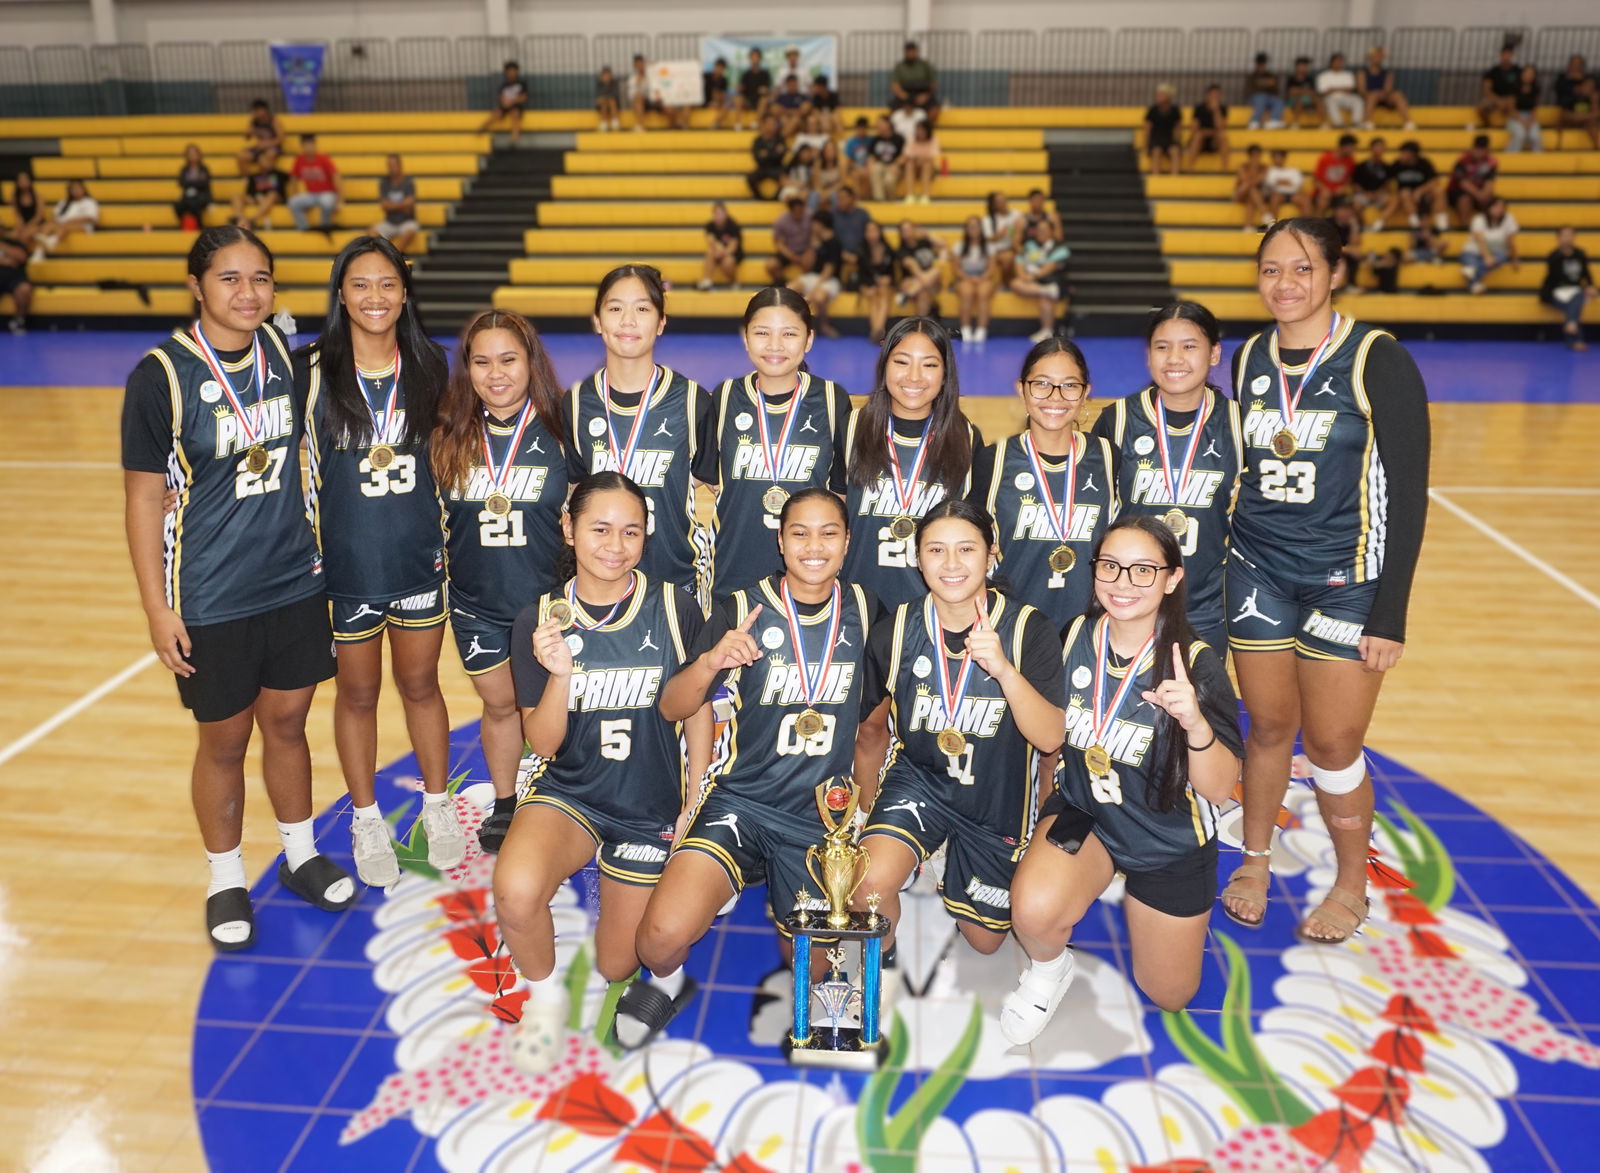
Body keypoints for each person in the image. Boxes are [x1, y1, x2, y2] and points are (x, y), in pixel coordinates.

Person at [122, 226, 353, 952]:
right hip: (211, 593)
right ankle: (224, 874)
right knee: (223, 739)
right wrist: (158, 608)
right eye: (229, 278)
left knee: (287, 723)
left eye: (261, 278)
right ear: (198, 285)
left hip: (292, 580)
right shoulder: (160, 375)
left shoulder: (286, 355)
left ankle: (300, 851)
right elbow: (141, 498)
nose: (248, 292)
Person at [1222, 217, 1430, 946]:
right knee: (1270, 727)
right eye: (1272, 269)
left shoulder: (1378, 357)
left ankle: (1350, 882)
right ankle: (1254, 859)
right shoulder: (1248, 356)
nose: (1286, 284)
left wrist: (1391, 611)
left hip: (1347, 581)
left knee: (1336, 743)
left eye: (1302, 268)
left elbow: (1410, 490)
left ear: (1334, 272)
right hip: (1258, 569)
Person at [634, 488, 881, 1047]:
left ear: (847, 542)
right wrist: (711, 662)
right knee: (657, 941)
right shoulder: (740, 606)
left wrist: (863, 813)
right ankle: (671, 979)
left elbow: (875, 725)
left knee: (814, 974)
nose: (813, 546)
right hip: (741, 802)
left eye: (828, 533)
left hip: (820, 819)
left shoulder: (868, 611)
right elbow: (674, 705)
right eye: (800, 533)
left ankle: (777, 898)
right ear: (780, 539)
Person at [1002, 515, 1243, 1042]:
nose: (1123, 583)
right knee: (1033, 911)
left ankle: (1141, 896)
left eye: (1143, 570)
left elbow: (1220, 788)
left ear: (1172, 579)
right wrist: (1042, 819)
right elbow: (1053, 739)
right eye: (1110, 567)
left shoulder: (1196, 663)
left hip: (1168, 837)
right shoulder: (1074, 637)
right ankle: (1048, 971)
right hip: (1088, 815)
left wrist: (1196, 724)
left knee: (1169, 994)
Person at [499, 472, 712, 1069]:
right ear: (568, 529)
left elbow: (695, 705)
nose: (615, 545)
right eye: (599, 529)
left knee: (618, 962)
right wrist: (560, 673)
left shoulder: (675, 606)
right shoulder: (538, 619)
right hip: (570, 791)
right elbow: (541, 742)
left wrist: (695, 792)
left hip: (648, 805)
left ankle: (654, 956)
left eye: (631, 532)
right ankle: (542, 1001)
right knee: (515, 891)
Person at [298, 237, 464, 877]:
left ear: (404, 292)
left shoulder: (430, 365)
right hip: (346, 566)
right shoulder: (310, 370)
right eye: (361, 284)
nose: (375, 297)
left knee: (422, 685)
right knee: (358, 694)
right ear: (341, 292)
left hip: (419, 558)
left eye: (387, 284)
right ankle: (366, 822)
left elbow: (452, 461)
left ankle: (437, 803)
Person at [854, 501, 1066, 987]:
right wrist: (868, 816)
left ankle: (949, 858)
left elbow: (1051, 737)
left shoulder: (1029, 628)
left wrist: (1005, 671)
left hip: (997, 798)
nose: (951, 564)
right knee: (868, 884)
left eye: (966, 549)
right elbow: (870, 730)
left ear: (991, 555)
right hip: (921, 783)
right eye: (936, 550)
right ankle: (881, 955)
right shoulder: (895, 630)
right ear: (918, 558)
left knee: (985, 940)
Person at [434, 309, 569, 849]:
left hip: (549, 605)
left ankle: (568, 796)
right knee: (498, 706)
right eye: (482, 361)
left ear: (530, 362)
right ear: (466, 369)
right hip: (477, 603)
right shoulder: (447, 436)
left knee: (560, 710)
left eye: (508, 359)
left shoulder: (563, 428)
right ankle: (508, 799)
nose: (496, 374)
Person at [1091, 302, 1241, 649]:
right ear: (1148, 355)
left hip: (1206, 606)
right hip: (1129, 601)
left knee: (1195, 701)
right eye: (1162, 347)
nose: (1175, 358)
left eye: (1189, 346)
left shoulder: (1237, 423)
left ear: (1214, 353)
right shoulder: (1119, 420)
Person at [565, 265, 712, 601]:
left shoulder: (693, 402)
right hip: (600, 581)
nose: (628, 320)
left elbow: (722, 493)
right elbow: (575, 491)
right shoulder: (575, 403)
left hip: (674, 582)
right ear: (597, 320)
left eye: (642, 308)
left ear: (661, 322)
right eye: (615, 308)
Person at [697, 287, 851, 600]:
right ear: (746, 337)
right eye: (763, 333)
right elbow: (709, 479)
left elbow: (840, 495)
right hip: (732, 572)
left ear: (808, 339)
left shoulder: (833, 401)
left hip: (809, 575)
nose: (775, 345)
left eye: (789, 334)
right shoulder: (724, 397)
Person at [971, 336, 1115, 632]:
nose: (1055, 397)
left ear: (1086, 393)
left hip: (1090, 628)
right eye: (1042, 384)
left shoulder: (1108, 456)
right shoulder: (993, 460)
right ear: (1021, 390)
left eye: (1070, 385)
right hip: (1013, 627)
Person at [842, 316, 980, 611]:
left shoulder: (966, 437)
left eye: (929, 365)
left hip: (932, 613)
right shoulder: (850, 428)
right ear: (884, 366)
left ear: (945, 373)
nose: (914, 377)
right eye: (901, 362)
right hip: (857, 611)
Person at [1011, 217, 1071, 343]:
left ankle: (1047, 331)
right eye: (1038, 230)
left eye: (1043, 230)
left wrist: (1032, 277)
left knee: (1044, 298)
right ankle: (1046, 291)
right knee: (1015, 283)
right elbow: (1019, 260)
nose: (1040, 232)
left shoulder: (1061, 248)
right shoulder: (1029, 245)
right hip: (1037, 284)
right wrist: (1023, 275)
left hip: (1055, 283)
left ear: (1051, 232)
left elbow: (1049, 268)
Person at [1539, 226, 1597, 351]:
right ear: (1558, 238)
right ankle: (1577, 337)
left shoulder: (1580, 254)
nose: (1567, 238)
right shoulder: (1554, 256)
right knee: (1576, 301)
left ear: (1574, 237)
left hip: (1576, 291)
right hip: (1556, 291)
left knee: (1575, 300)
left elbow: (1587, 274)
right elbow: (1556, 277)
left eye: (1569, 235)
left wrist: (1591, 287)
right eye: (1564, 235)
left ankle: (1572, 329)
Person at [790, 210, 843, 337]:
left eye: (814, 223)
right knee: (790, 288)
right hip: (814, 275)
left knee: (819, 297)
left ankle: (825, 325)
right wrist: (812, 247)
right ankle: (793, 324)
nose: (812, 226)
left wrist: (812, 292)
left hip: (830, 279)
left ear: (822, 224)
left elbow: (829, 270)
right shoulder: (814, 240)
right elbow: (806, 266)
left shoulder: (834, 242)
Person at [1458, 197, 1519, 295]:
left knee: (1501, 256)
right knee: (1471, 260)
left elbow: (1510, 241)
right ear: (1489, 207)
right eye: (1496, 206)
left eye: (1502, 207)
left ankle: (1473, 278)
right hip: (1473, 251)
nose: (1499, 209)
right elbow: (1480, 240)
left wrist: (1514, 259)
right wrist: (1486, 256)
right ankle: (1474, 283)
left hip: (1496, 253)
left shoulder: (1508, 219)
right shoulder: (1478, 219)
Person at [953, 215, 998, 344]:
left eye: (976, 226)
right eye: (970, 226)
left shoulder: (989, 246)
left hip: (984, 277)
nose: (973, 229)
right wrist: (968, 278)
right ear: (966, 229)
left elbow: (991, 268)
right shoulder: (959, 246)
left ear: (981, 228)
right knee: (966, 291)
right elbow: (956, 269)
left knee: (983, 292)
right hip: (964, 277)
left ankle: (981, 330)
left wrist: (981, 278)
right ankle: (965, 330)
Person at [31, 178, 99, 261]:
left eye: (78, 188)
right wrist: (54, 222)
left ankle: (53, 241)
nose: (76, 191)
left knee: (66, 225)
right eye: (73, 189)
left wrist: (74, 220)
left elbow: (92, 218)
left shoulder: (89, 202)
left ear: (83, 189)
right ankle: (39, 251)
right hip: (62, 224)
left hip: (81, 226)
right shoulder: (63, 203)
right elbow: (55, 216)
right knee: (48, 225)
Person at [287, 133, 341, 233]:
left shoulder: (323, 159)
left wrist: (339, 200)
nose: (308, 148)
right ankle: (304, 229)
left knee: (326, 202)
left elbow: (336, 178)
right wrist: (296, 194)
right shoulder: (299, 160)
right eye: (306, 145)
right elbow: (293, 179)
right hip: (311, 194)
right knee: (293, 202)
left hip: (327, 193)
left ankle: (325, 227)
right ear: (302, 146)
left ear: (314, 145)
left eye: (310, 144)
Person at [895, 219, 948, 318]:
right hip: (912, 281)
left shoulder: (924, 242)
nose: (907, 232)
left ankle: (907, 295)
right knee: (923, 291)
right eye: (904, 231)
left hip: (930, 282)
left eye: (909, 229)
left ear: (914, 229)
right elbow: (911, 265)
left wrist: (928, 236)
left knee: (936, 271)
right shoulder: (902, 250)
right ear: (901, 234)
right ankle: (921, 326)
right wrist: (924, 279)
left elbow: (943, 244)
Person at [1392, 139, 1447, 233]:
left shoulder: (1424, 163)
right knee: (1405, 193)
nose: (1401, 155)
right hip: (1406, 195)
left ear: (1412, 154)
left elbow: (1434, 180)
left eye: (1404, 152)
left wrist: (1420, 191)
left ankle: (1442, 225)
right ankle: (1415, 224)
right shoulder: (1397, 164)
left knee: (1439, 191)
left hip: (1423, 193)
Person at [857, 219, 897, 344]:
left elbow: (893, 274)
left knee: (883, 292)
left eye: (874, 230)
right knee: (873, 294)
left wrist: (888, 279)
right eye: (868, 231)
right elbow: (861, 275)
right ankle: (878, 332)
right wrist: (867, 287)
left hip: (885, 286)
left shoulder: (888, 249)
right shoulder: (861, 250)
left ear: (879, 232)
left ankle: (878, 331)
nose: (871, 234)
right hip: (868, 285)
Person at [369, 154, 420, 252]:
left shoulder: (408, 182)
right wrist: (402, 205)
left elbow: (409, 205)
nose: (391, 168)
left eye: (393, 165)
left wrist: (391, 206)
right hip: (390, 222)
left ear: (400, 165)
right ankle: (383, 254)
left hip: (406, 221)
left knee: (411, 230)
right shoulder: (384, 182)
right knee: (371, 232)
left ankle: (396, 254)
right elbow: (384, 206)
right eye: (389, 165)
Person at [1358, 45, 1414, 130]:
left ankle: (1408, 122)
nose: (1378, 58)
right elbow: (1362, 90)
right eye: (1376, 56)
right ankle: (1368, 122)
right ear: (1370, 58)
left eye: (1380, 56)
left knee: (1398, 95)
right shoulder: (1362, 72)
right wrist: (1374, 94)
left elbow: (1388, 89)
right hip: (1369, 97)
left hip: (1384, 97)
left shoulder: (1388, 73)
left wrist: (1381, 94)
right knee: (1372, 95)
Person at [1447, 134, 1497, 226]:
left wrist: (1485, 195)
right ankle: (1464, 226)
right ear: (1473, 149)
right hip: (1458, 192)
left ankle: (1490, 227)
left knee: (1494, 201)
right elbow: (1462, 183)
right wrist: (1479, 195)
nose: (1480, 153)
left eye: (1483, 150)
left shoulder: (1491, 162)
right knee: (1465, 199)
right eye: (1478, 150)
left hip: (1479, 191)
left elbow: (1489, 181)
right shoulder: (1462, 159)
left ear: (1487, 150)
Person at [231, 149, 286, 231]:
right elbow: (249, 193)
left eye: (267, 160)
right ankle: (238, 217)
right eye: (263, 160)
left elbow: (281, 192)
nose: (265, 162)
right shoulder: (254, 176)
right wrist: (257, 198)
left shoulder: (279, 174)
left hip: (272, 199)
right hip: (257, 198)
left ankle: (253, 219)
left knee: (272, 194)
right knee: (236, 196)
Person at [1351, 138, 1398, 231]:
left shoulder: (1386, 167)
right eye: (1377, 147)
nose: (1379, 150)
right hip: (1363, 194)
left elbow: (1387, 184)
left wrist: (1378, 193)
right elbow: (1355, 184)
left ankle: (1378, 224)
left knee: (1394, 201)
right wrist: (1365, 193)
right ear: (1371, 148)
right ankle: (1363, 226)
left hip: (1378, 195)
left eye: (1382, 148)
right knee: (1356, 204)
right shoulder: (1361, 166)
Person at [1555, 55, 1600, 150]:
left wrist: (1593, 98)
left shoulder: (1592, 90)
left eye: (1578, 64)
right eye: (1573, 63)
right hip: (1569, 115)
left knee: (1592, 123)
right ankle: (1558, 147)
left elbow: (1596, 113)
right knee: (1564, 116)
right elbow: (1563, 108)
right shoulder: (1563, 80)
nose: (1575, 66)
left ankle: (1596, 150)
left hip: (1586, 117)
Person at [891, 40, 940, 125]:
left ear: (917, 52)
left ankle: (924, 129)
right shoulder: (899, 66)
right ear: (905, 52)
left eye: (912, 51)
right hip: (905, 95)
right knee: (893, 110)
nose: (910, 53)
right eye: (908, 51)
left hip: (923, 94)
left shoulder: (925, 65)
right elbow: (895, 86)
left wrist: (926, 96)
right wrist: (906, 97)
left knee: (935, 110)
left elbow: (933, 84)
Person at [766, 196, 813, 283]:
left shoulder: (810, 216)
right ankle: (780, 282)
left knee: (809, 261)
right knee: (771, 265)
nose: (799, 214)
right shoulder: (781, 221)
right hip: (788, 251)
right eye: (796, 212)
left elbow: (815, 236)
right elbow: (779, 243)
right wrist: (791, 256)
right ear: (790, 210)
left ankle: (806, 284)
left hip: (806, 249)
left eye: (801, 211)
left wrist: (809, 250)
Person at [698, 200, 743, 291]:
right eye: (716, 214)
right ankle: (707, 280)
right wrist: (718, 247)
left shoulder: (733, 225)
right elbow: (711, 240)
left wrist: (723, 252)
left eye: (720, 213)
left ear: (725, 214)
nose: (718, 216)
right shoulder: (710, 226)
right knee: (711, 251)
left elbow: (733, 247)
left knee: (727, 262)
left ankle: (734, 282)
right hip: (718, 252)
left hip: (733, 254)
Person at [1185, 84, 1231, 172]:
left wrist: (1216, 111)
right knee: (1198, 136)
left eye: (1218, 95)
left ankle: (1225, 168)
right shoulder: (1199, 108)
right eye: (1213, 95)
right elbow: (1194, 129)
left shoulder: (1222, 109)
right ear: (1207, 96)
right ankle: (1190, 167)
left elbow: (1221, 127)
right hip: (1200, 141)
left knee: (1223, 137)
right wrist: (1207, 132)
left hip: (1214, 141)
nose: (1215, 97)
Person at [1310, 133, 1358, 217]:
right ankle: (1316, 224)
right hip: (1323, 192)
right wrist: (1324, 189)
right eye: (1351, 147)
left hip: (1339, 193)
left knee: (1352, 203)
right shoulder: (1325, 158)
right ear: (1344, 147)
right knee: (1323, 199)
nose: (1353, 150)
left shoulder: (1351, 161)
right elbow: (1316, 179)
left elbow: (1349, 179)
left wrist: (1344, 187)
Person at [481, 61, 528, 143]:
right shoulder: (504, 85)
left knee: (515, 114)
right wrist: (504, 102)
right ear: (506, 73)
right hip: (505, 106)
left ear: (517, 72)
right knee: (496, 113)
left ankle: (515, 138)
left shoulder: (521, 84)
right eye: (509, 71)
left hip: (516, 105)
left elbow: (523, 97)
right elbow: (500, 97)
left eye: (513, 71)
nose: (511, 73)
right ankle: (483, 128)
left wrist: (512, 101)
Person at [982, 191, 1022, 283]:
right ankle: (1007, 283)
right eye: (999, 201)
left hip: (1013, 247)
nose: (1003, 202)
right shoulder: (988, 219)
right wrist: (999, 234)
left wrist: (1016, 241)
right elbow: (987, 238)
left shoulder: (1016, 215)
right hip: (996, 251)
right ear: (993, 205)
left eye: (1004, 200)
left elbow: (1019, 232)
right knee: (1008, 258)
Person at [1477, 45, 1520, 129]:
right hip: (1495, 98)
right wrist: (1498, 101)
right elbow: (1486, 90)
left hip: (1511, 99)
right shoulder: (1493, 71)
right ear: (1500, 55)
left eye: (1508, 54)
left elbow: (1522, 88)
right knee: (1481, 107)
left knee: (1511, 102)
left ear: (1512, 56)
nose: (1506, 57)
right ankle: (1488, 126)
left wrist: (1509, 100)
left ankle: (1512, 127)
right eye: (1504, 54)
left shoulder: (1517, 71)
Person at [235, 98, 282, 175]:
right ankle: (247, 181)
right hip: (259, 148)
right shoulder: (254, 121)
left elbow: (280, 139)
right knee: (241, 156)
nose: (256, 113)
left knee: (267, 158)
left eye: (258, 110)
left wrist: (267, 144)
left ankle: (267, 183)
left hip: (273, 146)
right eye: (255, 111)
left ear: (265, 110)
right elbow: (247, 138)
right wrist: (248, 133)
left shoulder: (274, 121)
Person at [1143, 84, 1182, 175]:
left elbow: (1177, 128)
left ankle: (1174, 177)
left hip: (1169, 139)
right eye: (1158, 95)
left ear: (1168, 97)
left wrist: (1178, 143)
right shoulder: (1152, 110)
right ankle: (1156, 176)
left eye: (1161, 95)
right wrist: (1145, 146)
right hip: (1156, 139)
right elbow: (1147, 129)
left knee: (1175, 151)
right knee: (1156, 151)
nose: (1158, 97)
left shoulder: (1175, 110)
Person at [1317, 52, 1363, 130]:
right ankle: (1338, 124)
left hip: (1346, 97)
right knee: (1330, 101)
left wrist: (1333, 89)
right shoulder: (1323, 75)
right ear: (1331, 62)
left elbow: (1350, 89)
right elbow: (1324, 92)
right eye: (1336, 61)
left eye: (1340, 61)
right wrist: (1342, 89)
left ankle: (1356, 123)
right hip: (1330, 98)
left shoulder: (1348, 74)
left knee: (1358, 100)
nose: (1338, 63)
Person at [865, 115, 906, 201]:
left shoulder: (899, 138)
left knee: (889, 180)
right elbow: (871, 156)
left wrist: (896, 165)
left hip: (894, 165)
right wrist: (870, 167)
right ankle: (879, 199)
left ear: (888, 125)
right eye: (877, 125)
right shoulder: (875, 140)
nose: (877, 126)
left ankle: (891, 201)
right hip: (880, 165)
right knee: (875, 169)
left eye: (880, 124)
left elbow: (905, 155)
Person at [747, 115, 788, 200]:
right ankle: (759, 198)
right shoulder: (758, 140)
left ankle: (776, 198)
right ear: (765, 125)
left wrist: (767, 154)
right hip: (762, 168)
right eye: (769, 124)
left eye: (773, 124)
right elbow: (757, 157)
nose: (771, 126)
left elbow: (781, 155)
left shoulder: (780, 139)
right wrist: (774, 153)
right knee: (750, 178)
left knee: (784, 178)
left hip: (777, 167)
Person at [0, 232, 34, 335]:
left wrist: (3, 246)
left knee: (24, 289)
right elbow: (11, 261)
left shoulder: (14, 242)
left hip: (14, 278)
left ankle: (18, 321)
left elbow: (21, 257)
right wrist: (4, 261)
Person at [1506, 65, 1543, 154]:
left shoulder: (1535, 89)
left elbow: (1535, 107)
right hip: (1515, 117)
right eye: (1526, 73)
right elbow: (1511, 109)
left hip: (1529, 117)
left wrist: (1530, 121)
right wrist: (1522, 121)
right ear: (1522, 74)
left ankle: (1538, 160)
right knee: (1520, 134)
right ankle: (1511, 157)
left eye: (1531, 74)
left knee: (1536, 136)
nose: (1528, 76)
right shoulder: (1514, 88)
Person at [733, 47, 772, 133]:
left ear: (760, 59)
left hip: (760, 102)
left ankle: (756, 122)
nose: (754, 59)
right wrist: (740, 88)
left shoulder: (765, 74)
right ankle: (738, 124)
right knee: (737, 99)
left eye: (756, 56)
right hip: (748, 101)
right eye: (752, 57)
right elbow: (742, 90)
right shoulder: (746, 74)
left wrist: (765, 90)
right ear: (750, 59)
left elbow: (767, 90)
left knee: (764, 100)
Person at [174, 144, 212, 231]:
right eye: (190, 154)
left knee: (194, 204)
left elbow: (205, 184)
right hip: (187, 197)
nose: (192, 156)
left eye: (194, 153)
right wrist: (196, 182)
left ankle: (199, 226)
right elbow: (181, 182)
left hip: (201, 196)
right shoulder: (184, 169)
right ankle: (183, 225)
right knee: (178, 205)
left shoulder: (203, 169)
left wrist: (210, 201)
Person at [902, 121, 941, 204]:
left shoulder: (934, 140)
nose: (920, 132)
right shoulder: (911, 139)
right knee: (909, 164)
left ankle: (925, 195)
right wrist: (918, 160)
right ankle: (910, 195)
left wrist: (920, 159)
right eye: (918, 130)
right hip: (915, 167)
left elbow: (932, 157)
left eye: (922, 130)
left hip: (930, 169)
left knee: (927, 165)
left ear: (927, 131)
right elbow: (907, 156)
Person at [1329, 202, 1365, 290]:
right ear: (1335, 211)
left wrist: (1354, 226)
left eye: (1348, 210)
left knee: (1354, 255)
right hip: (1329, 251)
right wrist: (1348, 249)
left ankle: (1351, 285)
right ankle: (1332, 287)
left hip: (1343, 251)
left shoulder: (1354, 223)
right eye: (1343, 209)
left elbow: (1355, 244)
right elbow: (1327, 245)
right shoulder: (1328, 223)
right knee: (1342, 258)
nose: (1346, 213)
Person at [1262, 148, 1304, 223]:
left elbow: (1298, 185)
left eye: (1280, 157)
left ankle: (1306, 226)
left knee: (1305, 200)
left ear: (1284, 158)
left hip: (1293, 194)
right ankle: (1272, 225)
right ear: (1272, 158)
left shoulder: (1293, 170)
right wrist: (1288, 183)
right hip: (1277, 195)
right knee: (1274, 198)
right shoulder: (1269, 171)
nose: (1278, 159)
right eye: (1275, 157)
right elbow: (1269, 184)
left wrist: (1279, 182)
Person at [1245, 52, 1286, 130]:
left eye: (1263, 64)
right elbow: (1250, 90)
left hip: (1269, 97)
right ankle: (1255, 121)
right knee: (1261, 98)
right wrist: (1266, 86)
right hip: (1256, 98)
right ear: (1256, 65)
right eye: (1259, 64)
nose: (1261, 67)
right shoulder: (1252, 76)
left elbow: (1276, 89)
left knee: (1279, 101)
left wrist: (1263, 86)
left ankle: (1274, 120)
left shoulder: (1270, 75)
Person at [1234, 143, 1269, 229]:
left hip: (1255, 195)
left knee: (1251, 198)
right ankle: (1265, 214)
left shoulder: (1264, 167)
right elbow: (1246, 181)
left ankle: (1248, 226)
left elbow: (1258, 181)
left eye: (1257, 155)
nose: (1256, 157)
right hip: (1241, 193)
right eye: (1254, 155)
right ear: (1249, 155)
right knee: (1250, 188)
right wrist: (1254, 167)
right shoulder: (1242, 166)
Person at [1283, 57, 1321, 128]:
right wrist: (1305, 91)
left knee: (1318, 100)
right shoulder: (1291, 78)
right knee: (1300, 99)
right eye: (1302, 66)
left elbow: (1313, 92)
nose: (1304, 68)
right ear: (1297, 67)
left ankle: (1323, 123)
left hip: (1307, 99)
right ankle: (1295, 123)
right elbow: (1291, 92)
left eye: (1305, 66)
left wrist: (1300, 91)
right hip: (1291, 101)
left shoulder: (1310, 78)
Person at [9, 171, 43, 249]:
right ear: (17, 183)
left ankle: (23, 254)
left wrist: (28, 225)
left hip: (36, 224)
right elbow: (18, 215)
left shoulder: (38, 197)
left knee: (25, 235)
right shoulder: (15, 197)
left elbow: (39, 216)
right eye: (21, 181)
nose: (23, 182)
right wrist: (20, 225)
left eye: (25, 180)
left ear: (30, 181)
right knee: (13, 235)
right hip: (23, 223)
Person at [811, 139, 846, 214]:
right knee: (814, 195)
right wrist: (821, 194)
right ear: (823, 151)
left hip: (835, 190)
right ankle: (811, 217)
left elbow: (842, 183)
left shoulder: (840, 163)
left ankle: (836, 218)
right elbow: (816, 184)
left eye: (832, 149)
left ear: (836, 151)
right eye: (827, 150)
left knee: (834, 196)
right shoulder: (818, 164)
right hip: (821, 190)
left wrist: (828, 193)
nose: (830, 152)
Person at [777, 143, 817, 207]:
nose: (807, 155)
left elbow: (814, 185)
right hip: (792, 187)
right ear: (799, 153)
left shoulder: (812, 167)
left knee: (806, 195)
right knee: (787, 194)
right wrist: (796, 184)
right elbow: (782, 181)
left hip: (805, 190)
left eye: (809, 153)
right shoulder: (791, 165)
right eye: (805, 152)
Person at [703, 57, 732, 130]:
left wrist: (717, 98)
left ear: (723, 69)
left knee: (726, 105)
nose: (718, 69)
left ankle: (716, 123)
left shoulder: (723, 80)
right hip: (704, 101)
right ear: (714, 67)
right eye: (717, 67)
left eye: (721, 68)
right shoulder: (705, 76)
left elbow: (723, 95)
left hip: (716, 102)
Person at [594, 65, 622, 132]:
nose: (607, 76)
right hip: (602, 104)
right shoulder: (599, 83)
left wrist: (605, 97)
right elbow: (598, 96)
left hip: (613, 104)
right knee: (604, 102)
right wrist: (605, 84)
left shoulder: (614, 83)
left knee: (611, 101)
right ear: (602, 75)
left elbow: (615, 95)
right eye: (605, 74)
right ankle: (604, 123)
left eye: (608, 74)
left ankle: (615, 123)